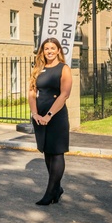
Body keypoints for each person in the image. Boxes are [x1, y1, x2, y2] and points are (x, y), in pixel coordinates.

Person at [28, 37, 72, 206]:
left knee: (57, 152)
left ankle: (50, 192)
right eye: (46, 48)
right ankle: (57, 189)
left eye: (53, 48)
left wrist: (49, 115)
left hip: (56, 116)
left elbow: (64, 94)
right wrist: (35, 114)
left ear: (59, 50)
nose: (50, 51)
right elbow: (32, 93)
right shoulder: (38, 69)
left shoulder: (64, 68)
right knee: (47, 152)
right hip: (40, 117)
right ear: (42, 51)